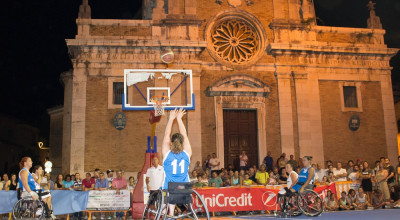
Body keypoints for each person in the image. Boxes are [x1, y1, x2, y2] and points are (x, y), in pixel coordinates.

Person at [162, 108, 192, 217]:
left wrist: (171, 119)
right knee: (174, 191)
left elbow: (166, 134)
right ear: (183, 142)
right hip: (184, 189)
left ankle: (169, 213)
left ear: (171, 143)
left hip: (170, 188)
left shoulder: (167, 154)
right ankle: (176, 212)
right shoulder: (187, 153)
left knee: (168, 194)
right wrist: (179, 119)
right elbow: (184, 134)